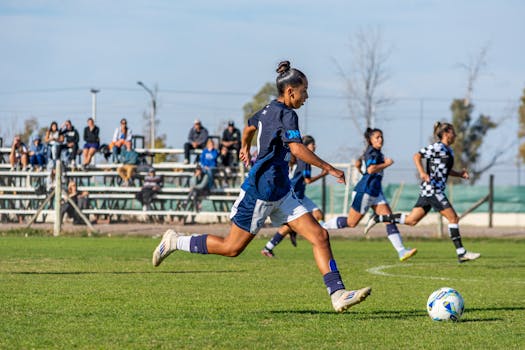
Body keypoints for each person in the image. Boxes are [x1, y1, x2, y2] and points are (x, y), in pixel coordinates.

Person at [152, 60, 371, 313]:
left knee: (320, 235)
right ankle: (175, 241)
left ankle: (338, 294)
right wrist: (330, 168)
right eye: (304, 91)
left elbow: (248, 126)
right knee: (231, 248)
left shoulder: (267, 110)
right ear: (290, 91)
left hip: (281, 191)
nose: (307, 96)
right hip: (261, 191)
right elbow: (297, 148)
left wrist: (244, 146)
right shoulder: (288, 114)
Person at [364, 122, 481, 263]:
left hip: (431, 190)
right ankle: (461, 253)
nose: (455, 135)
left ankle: (378, 218)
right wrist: (422, 172)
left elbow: (445, 170)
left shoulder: (448, 150)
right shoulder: (437, 147)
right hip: (432, 189)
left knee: (411, 220)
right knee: (453, 218)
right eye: (453, 132)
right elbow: (417, 156)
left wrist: (459, 174)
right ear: (446, 133)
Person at [322, 128, 417, 262]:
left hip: (376, 192)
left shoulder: (376, 153)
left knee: (388, 218)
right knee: (352, 222)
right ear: (370, 140)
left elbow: (364, 169)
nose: (380, 139)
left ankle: (401, 251)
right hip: (365, 192)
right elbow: (371, 169)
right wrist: (387, 164)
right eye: (377, 137)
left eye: (381, 137)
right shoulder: (372, 152)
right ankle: (322, 226)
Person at [261, 135, 328, 257]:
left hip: (299, 194)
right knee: (290, 225)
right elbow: (307, 180)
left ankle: (320, 238)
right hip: (295, 195)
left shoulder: (301, 158)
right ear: (307, 146)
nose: (315, 146)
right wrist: (322, 174)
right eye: (313, 144)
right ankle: (268, 247)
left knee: (318, 214)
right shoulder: (305, 159)